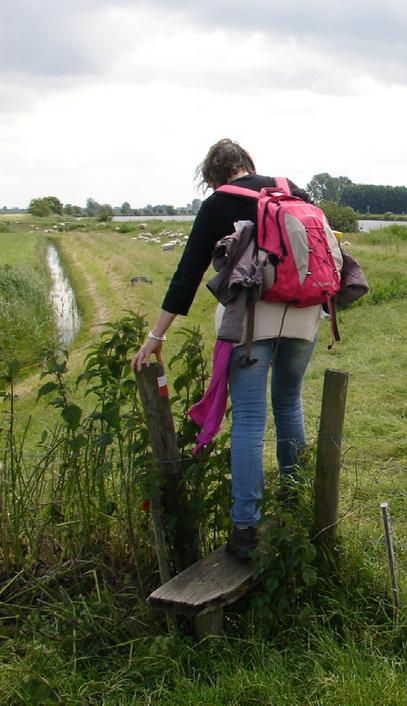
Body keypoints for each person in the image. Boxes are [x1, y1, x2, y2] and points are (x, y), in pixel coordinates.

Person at [130, 138, 323, 560]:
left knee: (251, 420)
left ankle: (246, 529)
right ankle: (294, 502)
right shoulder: (289, 188)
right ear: (247, 164)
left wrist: (156, 336)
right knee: (289, 404)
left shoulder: (219, 203)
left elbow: (188, 273)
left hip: (251, 323)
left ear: (213, 176)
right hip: (306, 316)